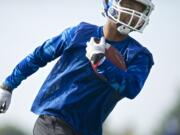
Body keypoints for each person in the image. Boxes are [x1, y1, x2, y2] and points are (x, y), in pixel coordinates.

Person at [0, 0, 155, 135]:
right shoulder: (79, 33)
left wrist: (101, 62)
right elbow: (39, 55)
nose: (134, 12)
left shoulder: (139, 55)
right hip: (54, 119)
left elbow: (131, 88)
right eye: (129, 4)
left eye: (139, 8)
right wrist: (8, 85)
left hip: (88, 130)